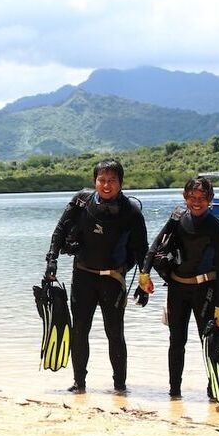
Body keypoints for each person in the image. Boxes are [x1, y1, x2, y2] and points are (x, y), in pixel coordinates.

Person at [44, 159, 147, 394]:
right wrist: (52, 261)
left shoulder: (131, 211)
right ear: (94, 181)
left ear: (121, 183)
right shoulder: (81, 202)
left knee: (115, 333)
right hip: (84, 276)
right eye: (102, 180)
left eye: (112, 180)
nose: (106, 185)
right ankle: (79, 384)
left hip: (114, 279)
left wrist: (143, 282)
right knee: (80, 330)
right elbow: (59, 231)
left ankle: (120, 388)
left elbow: (142, 250)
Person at [134, 176, 219, 400]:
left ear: (210, 199)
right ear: (185, 197)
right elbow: (155, 245)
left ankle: (213, 392)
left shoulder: (216, 228)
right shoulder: (177, 218)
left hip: (205, 290)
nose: (197, 202)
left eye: (202, 198)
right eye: (192, 197)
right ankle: (174, 392)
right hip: (177, 289)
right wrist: (144, 273)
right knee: (176, 342)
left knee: (208, 342)